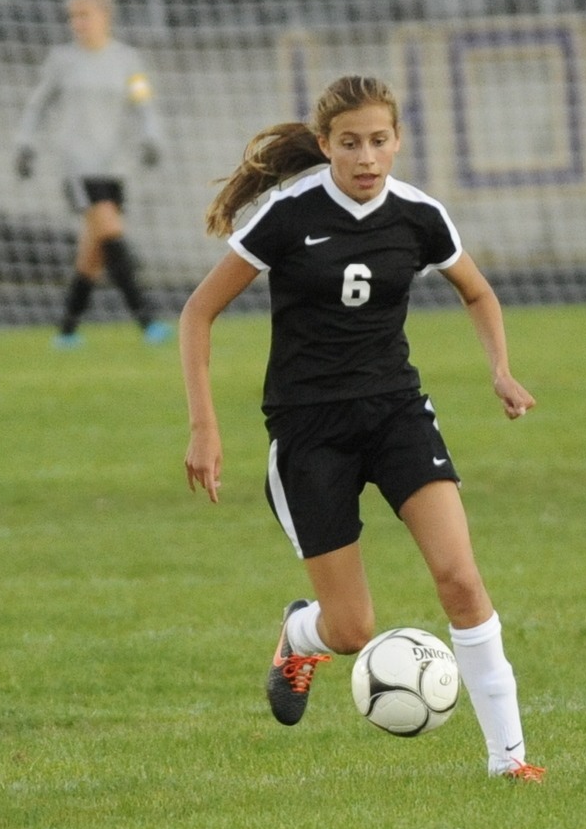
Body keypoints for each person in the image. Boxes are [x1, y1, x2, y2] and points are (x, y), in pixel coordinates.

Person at [179, 75, 544, 781]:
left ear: (398, 140)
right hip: (309, 428)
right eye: (350, 143)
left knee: (461, 580)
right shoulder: (288, 214)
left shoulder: (418, 215)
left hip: (396, 413)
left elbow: (477, 288)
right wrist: (205, 427)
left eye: (380, 141)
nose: (367, 157)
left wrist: (500, 368)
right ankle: (299, 632)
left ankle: (510, 758)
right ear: (325, 145)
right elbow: (198, 313)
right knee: (351, 629)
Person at [14, 0, 170, 347]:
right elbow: (38, 105)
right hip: (77, 165)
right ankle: (147, 321)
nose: (77, 23)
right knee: (111, 231)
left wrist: (151, 138)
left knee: (94, 248)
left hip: (115, 165)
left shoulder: (127, 60)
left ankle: (67, 330)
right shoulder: (62, 61)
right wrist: (24, 144)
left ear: (105, 16)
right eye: (73, 16)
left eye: (84, 15)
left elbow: (142, 103)